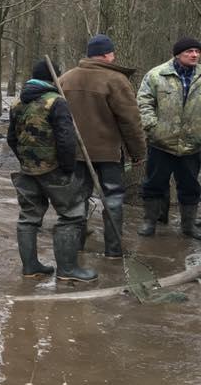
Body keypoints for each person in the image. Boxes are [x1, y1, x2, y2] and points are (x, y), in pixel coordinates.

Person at [60, 34, 146, 257]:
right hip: (108, 154)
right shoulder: (116, 80)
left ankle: (74, 250)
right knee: (113, 200)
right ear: (109, 54)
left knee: (77, 200)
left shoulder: (66, 78)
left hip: (75, 153)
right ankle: (114, 251)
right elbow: (131, 121)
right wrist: (138, 152)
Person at [8, 60, 93, 281]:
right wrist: (68, 168)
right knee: (72, 214)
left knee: (28, 218)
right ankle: (68, 270)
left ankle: (31, 267)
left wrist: (26, 160)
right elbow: (66, 139)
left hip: (27, 170)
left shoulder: (17, 103)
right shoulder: (56, 102)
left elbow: (11, 138)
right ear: (54, 78)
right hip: (54, 169)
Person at [137, 37, 201, 239]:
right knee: (154, 184)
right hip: (161, 143)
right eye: (189, 51)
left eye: (197, 52)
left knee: (190, 186)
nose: (194, 55)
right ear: (177, 54)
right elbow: (143, 102)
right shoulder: (156, 75)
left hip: (193, 144)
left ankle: (188, 226)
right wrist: (152, 126)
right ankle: (149, 222)